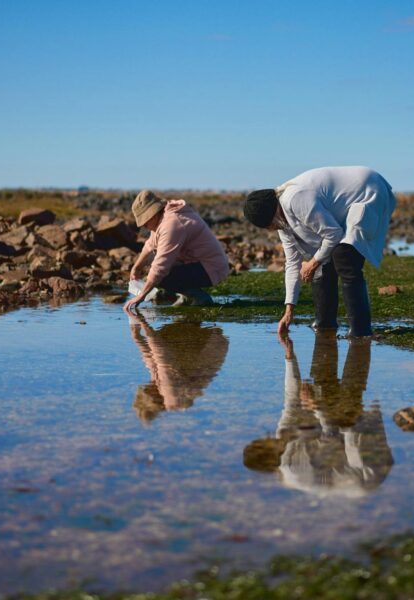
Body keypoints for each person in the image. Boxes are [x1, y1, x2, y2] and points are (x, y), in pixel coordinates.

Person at [243, 166, 396, 337]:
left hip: (367, 189)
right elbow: (292, 264)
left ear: (270, 216)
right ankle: (325, 324)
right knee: (323, 261)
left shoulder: (295, 199)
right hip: (344, 206)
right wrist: (289, 311)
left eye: (267, 226)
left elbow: (333, 234)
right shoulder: (281, 222)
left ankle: (361, 331)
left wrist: (312, 263)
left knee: (344, 255)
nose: (270, 230)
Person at [242, 332, 393, 497]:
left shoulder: (284, 445)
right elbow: (331, 436)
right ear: (270, 456)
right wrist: (316, 406)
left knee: (333, 414)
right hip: (367, 474)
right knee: (343, 419)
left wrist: (289, 357)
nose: (270, 436)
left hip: (356, 465)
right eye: (267, 441)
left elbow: (291, 400)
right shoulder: (291, 467)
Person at [124, 190, 230, 312]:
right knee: (158, 270)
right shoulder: (164, 217)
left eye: (145, 222)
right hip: (197, 262)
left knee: (163, 276)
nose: (144, 226)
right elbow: (150, 244)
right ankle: (187, 297)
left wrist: (141, 296)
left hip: (211, 267)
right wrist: (137, 267)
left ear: (153, 214)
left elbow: (160, 267)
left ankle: (198, 297)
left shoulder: (172, 224)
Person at [129, 313, 229, 423]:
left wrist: (137, 336)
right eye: (146, 389)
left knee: (161, 341)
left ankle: (190, 317)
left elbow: (155, 361)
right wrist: (144, 325)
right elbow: (161, 357)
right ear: (152, 396)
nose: (147, 386)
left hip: (211, 341)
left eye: (145, 388)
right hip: (212, 340)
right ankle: (191, 317)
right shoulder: (172, 394)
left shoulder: (166, 392)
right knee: (161, 342)